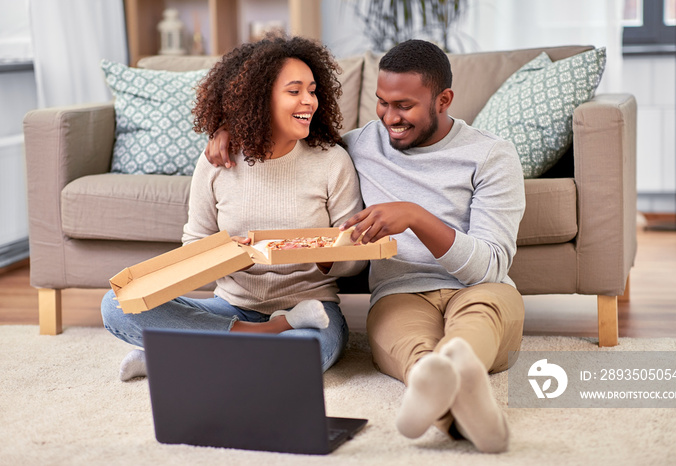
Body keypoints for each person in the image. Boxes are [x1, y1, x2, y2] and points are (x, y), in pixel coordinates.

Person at [205, 39, 525, 453]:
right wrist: (231, 129)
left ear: (443, 100)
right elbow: (294, 132)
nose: (390, 118)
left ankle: (453, 368)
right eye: (381, 102)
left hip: (483, 289)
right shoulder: (360, 144)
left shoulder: (491, 155)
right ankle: (458, 391)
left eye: (404, 106)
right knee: (413, 351)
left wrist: (415, 216)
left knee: (475, 322)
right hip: (401, 292)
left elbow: (490, 266)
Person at [101, 35, 365, 382]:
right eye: (294, 91)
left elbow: (357, 260)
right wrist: (224, 254)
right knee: (117, 303)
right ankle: (263, 335)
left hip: (311, 307)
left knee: (301, 355)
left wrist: (325, 252)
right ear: (259, 99)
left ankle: (174, 356)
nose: (309, 101)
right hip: (230, 307)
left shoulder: (332, 162)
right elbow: (194, 244)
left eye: (313, 91)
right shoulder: (217, 162)